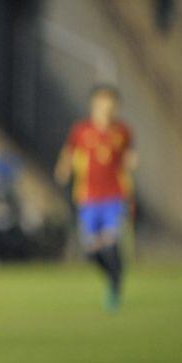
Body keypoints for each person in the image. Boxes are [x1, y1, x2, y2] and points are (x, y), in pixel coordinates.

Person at [55, 85, 137, 311]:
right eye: (102, 104)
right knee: (91, 250)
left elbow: (129, 156)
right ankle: (114, 277)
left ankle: (115, 285)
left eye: (110, 105)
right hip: (88, 197)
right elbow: (69, 151)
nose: (106, 109)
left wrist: (131, 164)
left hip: (114, 196)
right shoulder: (81, 131)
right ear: (94, 105)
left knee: (110, 243)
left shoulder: (122, 131)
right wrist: (64, 168)